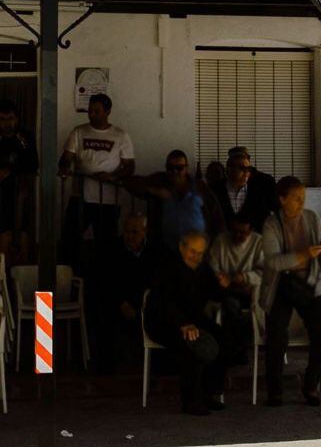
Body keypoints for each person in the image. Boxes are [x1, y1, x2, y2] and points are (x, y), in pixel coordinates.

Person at [261, 176, 321, 407]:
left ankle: (311, 384)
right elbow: (273, 262)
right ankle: (275, 390)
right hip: (281, 284)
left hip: (311, 282)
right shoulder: (272, 224)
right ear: (282, 199)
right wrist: (304, 255)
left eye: (303, 197)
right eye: (295, 198)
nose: (301, 202)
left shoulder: (311, 218)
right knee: (276, 335)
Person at [145, 230, 230, 416]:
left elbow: (214, 294)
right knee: (192, 344)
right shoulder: (167, 267)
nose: (196, 257)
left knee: (223, 338)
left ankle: (210, 393)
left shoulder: (202, 268)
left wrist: (223, 285)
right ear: (182, 247)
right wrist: (182, 323)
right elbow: (164, 302)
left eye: (200, 253)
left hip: (193, 319)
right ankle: (191, 401)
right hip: (163, 322)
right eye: (192, 252)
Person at [59, 93, 135, 262]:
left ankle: (103, 283)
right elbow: (66, 158)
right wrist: (64, 167)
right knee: (69, 241)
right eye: (90, 111)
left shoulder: (120, 135)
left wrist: (112, 177)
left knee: (106, 246)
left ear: (108, 111)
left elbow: (130, 167)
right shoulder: (79, 132)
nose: (92, 114)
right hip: (80, 198)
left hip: (107, 200)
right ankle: (67, 278)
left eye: (97, 111)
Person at [95, 211, 159, 373]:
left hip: (144, 305)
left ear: (144, 232)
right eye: (126, 232)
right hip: (119, 302)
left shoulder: (155, 252)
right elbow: (106, 282)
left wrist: (140, 306)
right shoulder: (112, 250)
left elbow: (156, 284)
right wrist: (121, 303)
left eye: (135, 232)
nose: (129, 236)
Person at [131, 150, 223, 250]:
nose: (175, 171)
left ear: (186, 168)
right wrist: (154, 190)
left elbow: (217, 217)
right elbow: (132, 184)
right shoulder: (160, 181)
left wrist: (214, 246)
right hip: (165, 249)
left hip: (196, 250)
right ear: (166, 168)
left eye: (179, 168)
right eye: (170, 168)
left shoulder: (200, 187)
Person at [208, 213, 263, 366]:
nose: (238, 236)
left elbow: (266, 273)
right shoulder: (221, 241)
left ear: (250, 231)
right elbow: (211, 266)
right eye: (235, 231)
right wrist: (220, 277)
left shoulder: (259, 242)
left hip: (251, 291)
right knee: (230, 306)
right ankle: (236, 349)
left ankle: (239, 347)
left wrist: (244, 277)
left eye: (243, 233)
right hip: (226, 290)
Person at [0, 98, 38, 262]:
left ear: (17, 118)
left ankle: (21, 276)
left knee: (22, 231)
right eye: (2, 119)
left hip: (20, 192)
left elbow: (33, 163)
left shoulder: (25, 137)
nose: (6, 123)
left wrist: (11, 170)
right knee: (3, 231)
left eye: (10, 119)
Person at [209, 146, 279, 232]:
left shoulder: (263, 185)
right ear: (229, 168)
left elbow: (275, 212)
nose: (246, 173)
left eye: (248, 169)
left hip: (256, 240)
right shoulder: (216, 189)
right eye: (242, 168)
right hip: (224, 240)